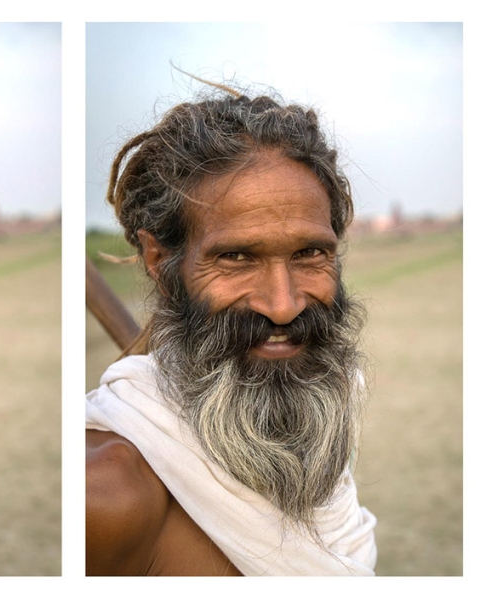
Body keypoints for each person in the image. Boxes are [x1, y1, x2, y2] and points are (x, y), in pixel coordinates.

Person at [86, 83, 378, 576]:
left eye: (310, 253)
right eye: (237, 257)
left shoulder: (309, 431)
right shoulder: (110, 494)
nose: (283, 306)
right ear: (160, 261)